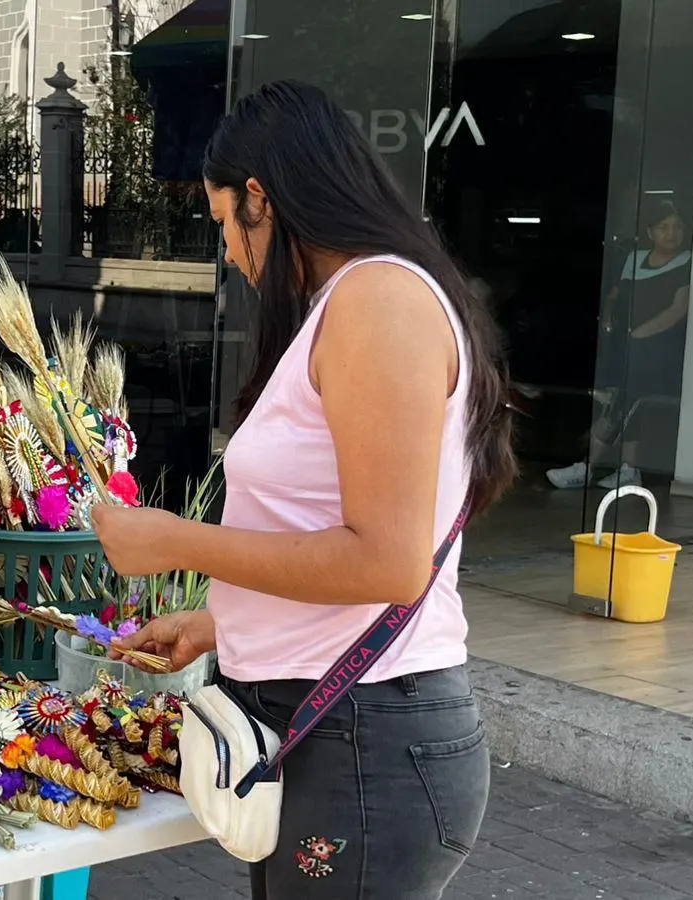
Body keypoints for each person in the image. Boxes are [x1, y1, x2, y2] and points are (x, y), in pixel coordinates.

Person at [95, 80, 515, 900]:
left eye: (224, 225)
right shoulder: (351, 303)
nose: (229, 252)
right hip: (339, 732)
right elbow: (335, 531)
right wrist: (224, 620)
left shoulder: (379, 301)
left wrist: (173, 538)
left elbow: (388, 563)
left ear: (261, 197)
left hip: (365, 740)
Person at [547, 200, 692, 490]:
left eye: (677, 227)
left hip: (661, 351)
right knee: (627, 399)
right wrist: (610, 318)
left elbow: (678, 310)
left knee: (622, 400)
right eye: (663, 227)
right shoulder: (634, 259)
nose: (671, 233)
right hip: (627, 345)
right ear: (650, 232)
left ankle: (587, 467)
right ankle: (628, 470)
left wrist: (640, 334)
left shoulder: (689, 261)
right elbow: (615, 294)